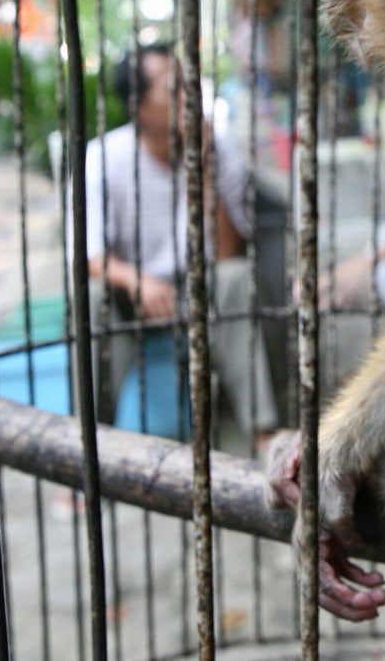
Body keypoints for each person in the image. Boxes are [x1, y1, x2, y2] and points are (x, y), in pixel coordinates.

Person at [80, 43, 278, 446]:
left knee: (237, 278)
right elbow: (90, 256)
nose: (192, 99)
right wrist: (138, 282)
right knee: (91, 297)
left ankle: (262, 432)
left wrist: (204, 167)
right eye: (175, 90)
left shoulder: (216, 146)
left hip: (195, 288)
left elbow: (227, 255)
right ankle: (89, 446)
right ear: (141, 109)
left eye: (192, 85)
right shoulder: (104, 157)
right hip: (132, 292)